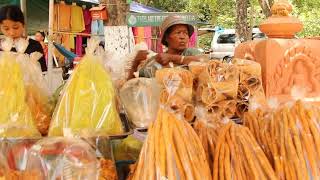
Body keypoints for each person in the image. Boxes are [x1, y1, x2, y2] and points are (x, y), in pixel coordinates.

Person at [128, 15, 203, 79]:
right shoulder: (155, 60)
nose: (182, 37)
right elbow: (131, 86)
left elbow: (204, 62)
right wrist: (136, 62)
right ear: (166, 37)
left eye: (185, 33)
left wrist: (171, 58)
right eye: (178, 33)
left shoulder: (190, 53)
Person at [0, 5, 47, 72]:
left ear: (23, 25)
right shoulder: (1, 47)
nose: (12, 33)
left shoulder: (34, 45)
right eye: (6, 29)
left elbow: (43, 72)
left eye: (15, 27)